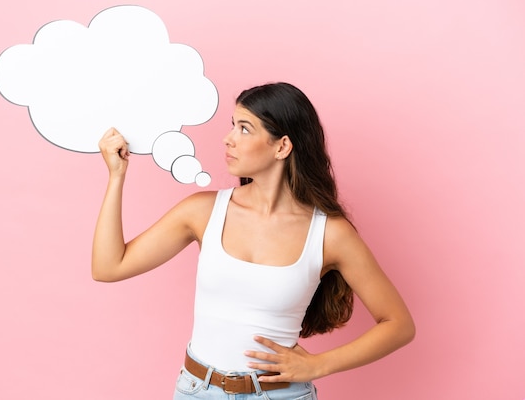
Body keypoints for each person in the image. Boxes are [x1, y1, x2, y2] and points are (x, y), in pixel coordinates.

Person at [92, 82, 415, 399]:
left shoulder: (330, 233)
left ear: (282, 146)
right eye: (233, 126)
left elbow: (398, 324)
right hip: (197, 391)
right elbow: (108, 267)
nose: (228, 139)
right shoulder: (203, 211)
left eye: (244, 129)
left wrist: (319, 365)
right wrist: (117, 176)